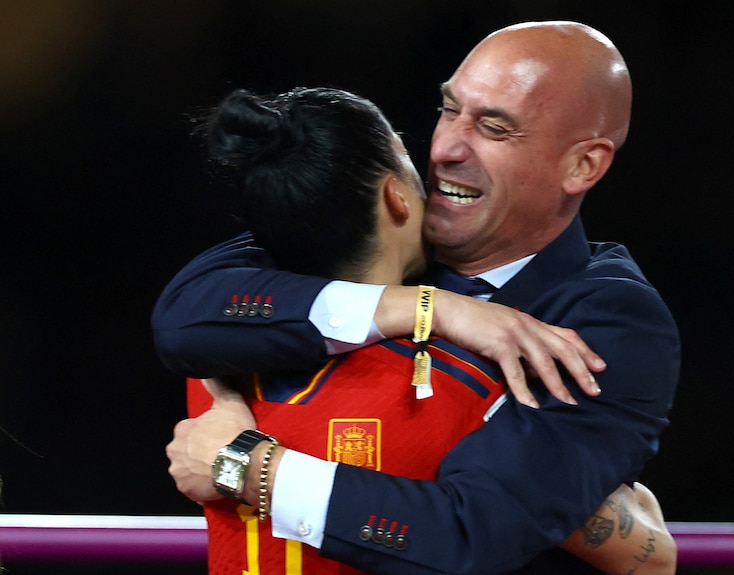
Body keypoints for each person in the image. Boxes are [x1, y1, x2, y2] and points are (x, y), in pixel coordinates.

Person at [158, 20, 680, 575]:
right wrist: (433, 308)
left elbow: (466, 535)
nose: (447, 149)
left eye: (495, 129)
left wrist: (245, 465)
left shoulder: (610, 322)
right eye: (450, 109)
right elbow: (184, 315)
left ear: (583, 164)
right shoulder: (383, 229)